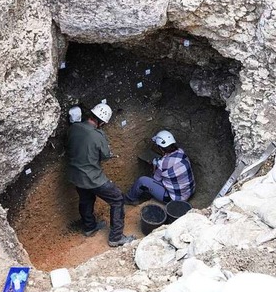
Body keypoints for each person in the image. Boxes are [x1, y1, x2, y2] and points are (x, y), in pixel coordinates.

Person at [66, 102, 136, 247]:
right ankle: (116, 237)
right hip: (92, 177)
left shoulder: (73, 128)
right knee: (117, 199)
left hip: (76, 176)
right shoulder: (98, 135)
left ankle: (89, 227)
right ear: (102, 122)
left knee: (86, 199)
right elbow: (104, 155)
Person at [125, 130, 195, 204]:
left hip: (174, 200)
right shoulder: (181, 153)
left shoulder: (162, 163)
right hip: (189, 191)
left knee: (142, 181)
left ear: (161, 148)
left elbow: (155, 179)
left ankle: (129, 199)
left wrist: (155, 166)